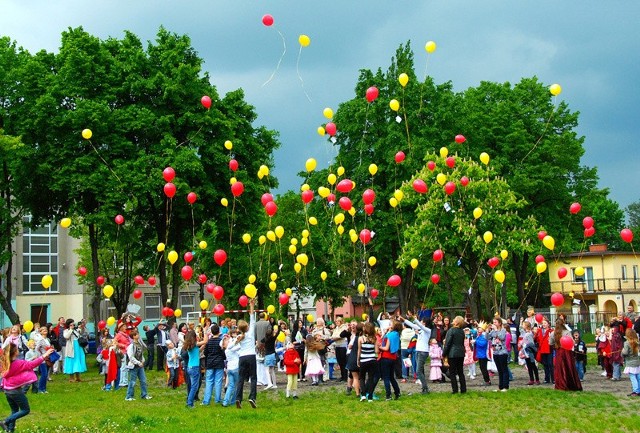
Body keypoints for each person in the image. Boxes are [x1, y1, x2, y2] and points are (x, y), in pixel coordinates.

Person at [0, 343, 55, 432]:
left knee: (15, 410)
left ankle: (10, 430)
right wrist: (45, 355)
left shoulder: (4, 363)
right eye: (17, 349)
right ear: (15, 352)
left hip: (7, 390)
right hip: (15, 391)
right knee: (25, 410)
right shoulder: (18, 363)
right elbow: (32, 364)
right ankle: (5, 421)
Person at [401, 312, 432, 394]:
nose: (421, 322)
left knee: (418, 371)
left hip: (423, 352)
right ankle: (424, 388)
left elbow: (420, 326)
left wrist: (414, 318)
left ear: (424, 322)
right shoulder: (420, 330)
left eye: (422, 321)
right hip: (418, 351)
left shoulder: (428, 330)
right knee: (419, 370)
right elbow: (412, 325)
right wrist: (404, 319)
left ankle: (425, 388)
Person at [235, 297, 258, 409]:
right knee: (253, 378)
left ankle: (238, 398)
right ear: (247, 326)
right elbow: (252, 316)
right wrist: (251, 305)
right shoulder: (251, 332)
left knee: (240, 378)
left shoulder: (240, 336)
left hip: (242, 357)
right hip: (251, 356)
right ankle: (252, 397)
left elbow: (234, 344)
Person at [549, 318, 582, 391]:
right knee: (568, 367)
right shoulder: (567, 332)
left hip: (558, 352)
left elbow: (550, 343)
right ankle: (570, 384)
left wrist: (556, 344)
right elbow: (572, 342)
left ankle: (561, 384)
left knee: (560, 369)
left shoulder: (553, 333)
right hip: (567, 352)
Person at [183, 329, 208, 408]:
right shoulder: (195, 344)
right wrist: (205, 331)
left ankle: (189, 402)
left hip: (189, 367)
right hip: (194, 368)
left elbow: (198, 350)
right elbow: (205, 341)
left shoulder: (189, 346)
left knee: (193, 386)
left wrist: (204, 346)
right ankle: (189, 403)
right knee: (194, 387)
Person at [125, 329, 151, 401]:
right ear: (133, 336)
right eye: (137, 334)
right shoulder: (131, 346)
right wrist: (138, 363)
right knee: (132, 381)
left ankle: (144, 394)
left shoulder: (139, 344)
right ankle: (129, 396)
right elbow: (131, 357)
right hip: (133, 366)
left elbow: (141, 354)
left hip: (140, 366)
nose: (138, 335)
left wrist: (142, 361)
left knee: (143, 380)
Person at [202, 324, 226, 405]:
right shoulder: (220, 341)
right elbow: (223, 352)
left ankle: (206, 400)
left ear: (211, 332)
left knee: (209, 381)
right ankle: (217, 399)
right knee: (218, 381)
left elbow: (205, 352)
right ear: (219, 332)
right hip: (219, 363)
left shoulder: (209, 342)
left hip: (210, 363)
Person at [443, 316, 467, 394]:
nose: (452, 320)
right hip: (461, 353)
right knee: (460, 372)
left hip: (452, 353)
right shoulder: (462, 331)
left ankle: (455, 390)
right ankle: (463, 389)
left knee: (452, 372)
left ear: (456, 322)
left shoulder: (451, 330)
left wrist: (444, 353)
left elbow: (448, 343)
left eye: (454, 319)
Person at [379, 320, 401, 400]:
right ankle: (397, 392)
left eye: (390, 324)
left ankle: (388, 395)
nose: (389, 324)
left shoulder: (390, 335)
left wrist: (379, 347)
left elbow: (386, 348)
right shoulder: (396, 334)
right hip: (393, 357)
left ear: (393, 326)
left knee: (386, 378)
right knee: (392, 377)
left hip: (386, 357)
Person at [358, 322, 379, 402]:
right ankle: (370, 396)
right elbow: (376, 351)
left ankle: (363, 395)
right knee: (370, 378)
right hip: (372, 360)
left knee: (362, 377)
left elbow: (359, 351)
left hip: (363, 359)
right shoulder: (374, 338)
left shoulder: (361, 338)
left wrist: (358, 360)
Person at [487, 317, 509, 392]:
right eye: (493, 322)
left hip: (502, 352)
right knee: (499, 370)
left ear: (499, 323)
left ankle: (505, 386)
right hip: (495, 352)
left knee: (504, 369)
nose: (494, 324)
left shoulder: (503, 330)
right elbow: (487, 338)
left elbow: (502, 337)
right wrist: (487, 331)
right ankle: (500, 386)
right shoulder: (493, 331)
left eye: (495, 322)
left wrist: (496, 331)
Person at [222, 329, 240, 407]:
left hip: (229, 369)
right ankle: (233, 401)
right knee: (236, 385)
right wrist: (237, 338)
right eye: (227, 341)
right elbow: (239, 346)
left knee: (230, 386)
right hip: (235, 368)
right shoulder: (230, 348)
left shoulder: (226, 350)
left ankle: (225, 402)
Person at [520, 321, 540, 385]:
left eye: (523, 324)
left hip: (530, 352)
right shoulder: (526, 333)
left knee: (533, 366)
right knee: (529, 366)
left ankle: (537, 379)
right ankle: (531, 379)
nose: (522, 326)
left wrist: (525, 345)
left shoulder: (528, 334)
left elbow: (531, 343)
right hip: (526, 352)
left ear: (526, 326)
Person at [622, 328, 640, 396]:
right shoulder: (637, 342)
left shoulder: (626, 343)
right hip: (637, 362)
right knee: (638, 376)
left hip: (630, 362)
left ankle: (636, 391)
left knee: (633, 377)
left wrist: (622, 351)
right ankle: (639, 390)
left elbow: (625, 352)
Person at [535, 318, 554, 384]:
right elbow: (536, 338)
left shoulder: (551, 331)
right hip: (542, 350)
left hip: (549, 349)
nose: (543, 324)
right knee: (545, 365)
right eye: (543, 323)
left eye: (545, 323)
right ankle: (547, 379)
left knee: (550, 364)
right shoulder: (539, 331)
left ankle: (553, 379)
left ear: (548, 324)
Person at [35, 326, 52, 393]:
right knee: (44, 374)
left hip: (48, 357)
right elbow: (36, 348)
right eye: (43, 330)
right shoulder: (40, 339)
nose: (45, 330)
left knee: (46, 374)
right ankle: (40, 389)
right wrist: (40, 356)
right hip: (42, 358)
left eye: (46, 329)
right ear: (40, 332)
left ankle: (44, 388)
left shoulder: (47, 339)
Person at [331, 317, 349, 382]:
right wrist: (334, 337)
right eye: (336, 321)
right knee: (340, 362)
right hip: (337, 346)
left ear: (341, 321)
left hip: (342, 346)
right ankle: (342, 375)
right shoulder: (336, 328)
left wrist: (335, 337)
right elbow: (333, 336)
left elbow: (341, 336)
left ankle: (345, 376)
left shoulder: (344, 327)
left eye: (338, 321)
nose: (337, 322)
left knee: (344, 362)